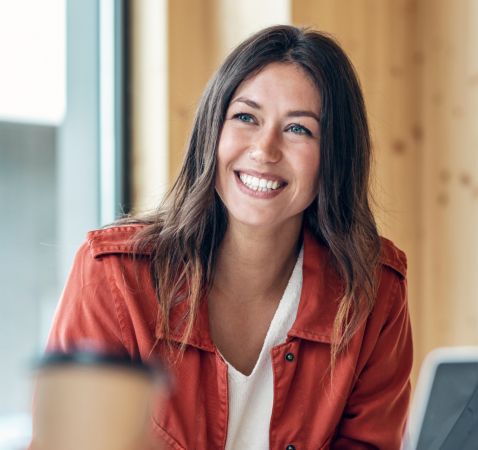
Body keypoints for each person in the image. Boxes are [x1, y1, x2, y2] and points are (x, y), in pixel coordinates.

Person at [39, 25, 412, 450]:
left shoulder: (372, 291)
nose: (265, 150)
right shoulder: (114, 277)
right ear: (212, 130)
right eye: (246, 118)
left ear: (334, 158)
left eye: (299, 130)